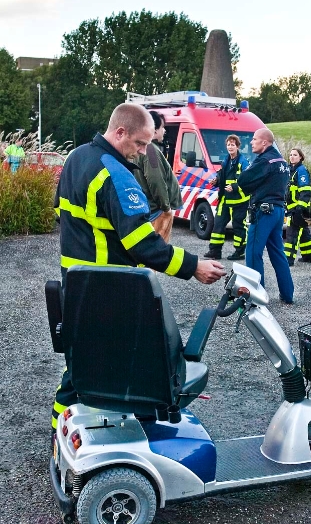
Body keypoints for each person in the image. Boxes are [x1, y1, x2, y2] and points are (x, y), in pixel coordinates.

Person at [52, 103, 226, 433]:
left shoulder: (75, 159)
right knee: (141, 362)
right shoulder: (115, 173)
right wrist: (194, 267)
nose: (143, 152)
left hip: (74, 285)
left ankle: (60, 435)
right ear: (120, 132)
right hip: (108, 288)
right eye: (140, 144)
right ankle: (141, 435)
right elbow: (142, 244)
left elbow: (66, 215)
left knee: (81, 367)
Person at [237, 127, 294, 304]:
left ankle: (256, 296)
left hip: (264, 212)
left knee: (254, 253)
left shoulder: (264, 161)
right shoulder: (283, 162)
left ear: (265, 142)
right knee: (278, 253)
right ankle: (287, 294)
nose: (251, 142)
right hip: (277, 212)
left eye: (254, 139)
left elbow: (243, 180)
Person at [134, 110, 182, 243]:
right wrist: (166, 208)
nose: (164, 131)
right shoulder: (150, 150)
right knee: (158, 254)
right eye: (162, 127)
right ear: (154, 130)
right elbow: (156, 181)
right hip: (156, 212)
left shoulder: (142, 149)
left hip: (148, 209)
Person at [204, 134, 250, 260]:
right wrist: (217, 180)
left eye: (233, 144)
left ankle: (239, 252)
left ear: (237, 146)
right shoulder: (226, 160)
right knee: (218, 223)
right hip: (225, 198)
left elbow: (247, 179)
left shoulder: (243, 161)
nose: (230, 147)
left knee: (238, 226)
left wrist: (234, 187)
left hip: (239, 201)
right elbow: (222, 174)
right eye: (228, 144)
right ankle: (215, 251)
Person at [284, 147, 311, 266]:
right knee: (304, 233)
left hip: (298, 208)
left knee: (292, 233)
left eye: (295, 155)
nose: (292, 156)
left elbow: (306, 191)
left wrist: (300, 209)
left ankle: (288, 260)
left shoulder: (301, 170)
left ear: (301, 157)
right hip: (291, 208)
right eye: (291, 154)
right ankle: (310, 256)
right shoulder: (290, 170)